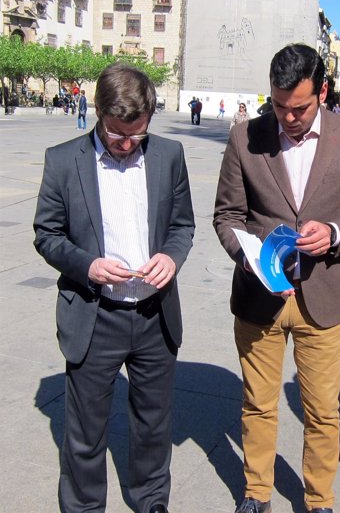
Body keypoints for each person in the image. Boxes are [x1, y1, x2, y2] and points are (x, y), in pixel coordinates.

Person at [213, 43, 340, 513]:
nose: (288, 118)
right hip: (259, 295)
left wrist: (334, 233)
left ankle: (319, 499)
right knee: (258, 402)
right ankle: (256, 492)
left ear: (323, 92)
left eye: (300, 108)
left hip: (324, 297)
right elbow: (227, 215)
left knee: (323, 410)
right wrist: (250, 257)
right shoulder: (243, 137)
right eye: (279, 106)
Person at [33, 63, 195, 513]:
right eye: (117, 134)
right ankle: (84, 507)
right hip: (93, 312)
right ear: (98, 113)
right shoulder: (63, 160)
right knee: (85, 430)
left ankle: (150, 499)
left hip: (153, 313)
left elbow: (182, 225)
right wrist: (88, 265)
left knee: (153, 423)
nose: (127, 145)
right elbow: (46, 234)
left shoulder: (169, 154)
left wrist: (171, 257)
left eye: (137, 135)